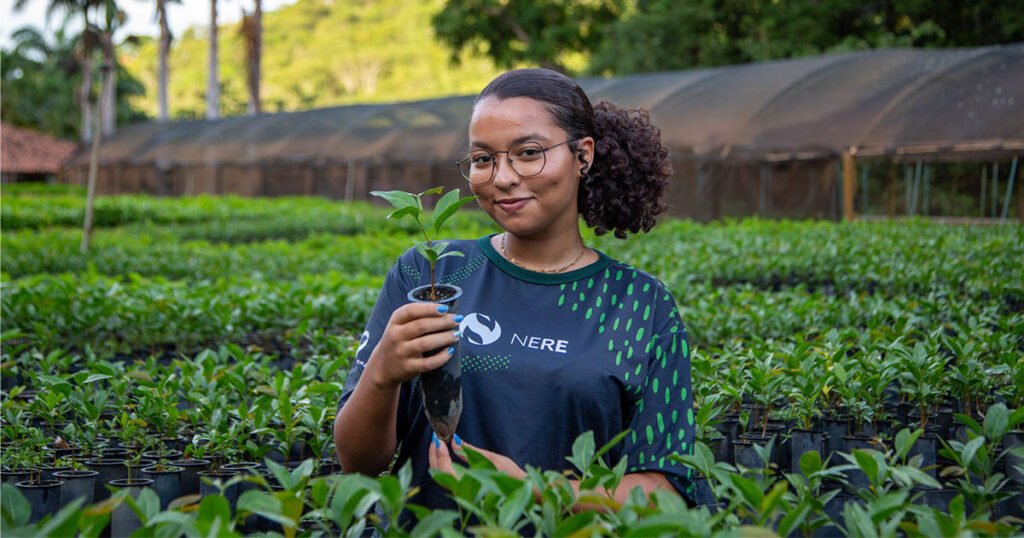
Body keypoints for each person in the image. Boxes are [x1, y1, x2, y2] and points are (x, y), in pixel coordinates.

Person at [334, 68, 695, 524]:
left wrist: (530, 490)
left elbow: (665, 494)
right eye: (483, 159)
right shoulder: (430, 273)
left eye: (528, 153)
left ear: (583, 155)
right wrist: (382, 373)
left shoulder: (640, 304)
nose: (502, 177)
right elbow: (358, 463)